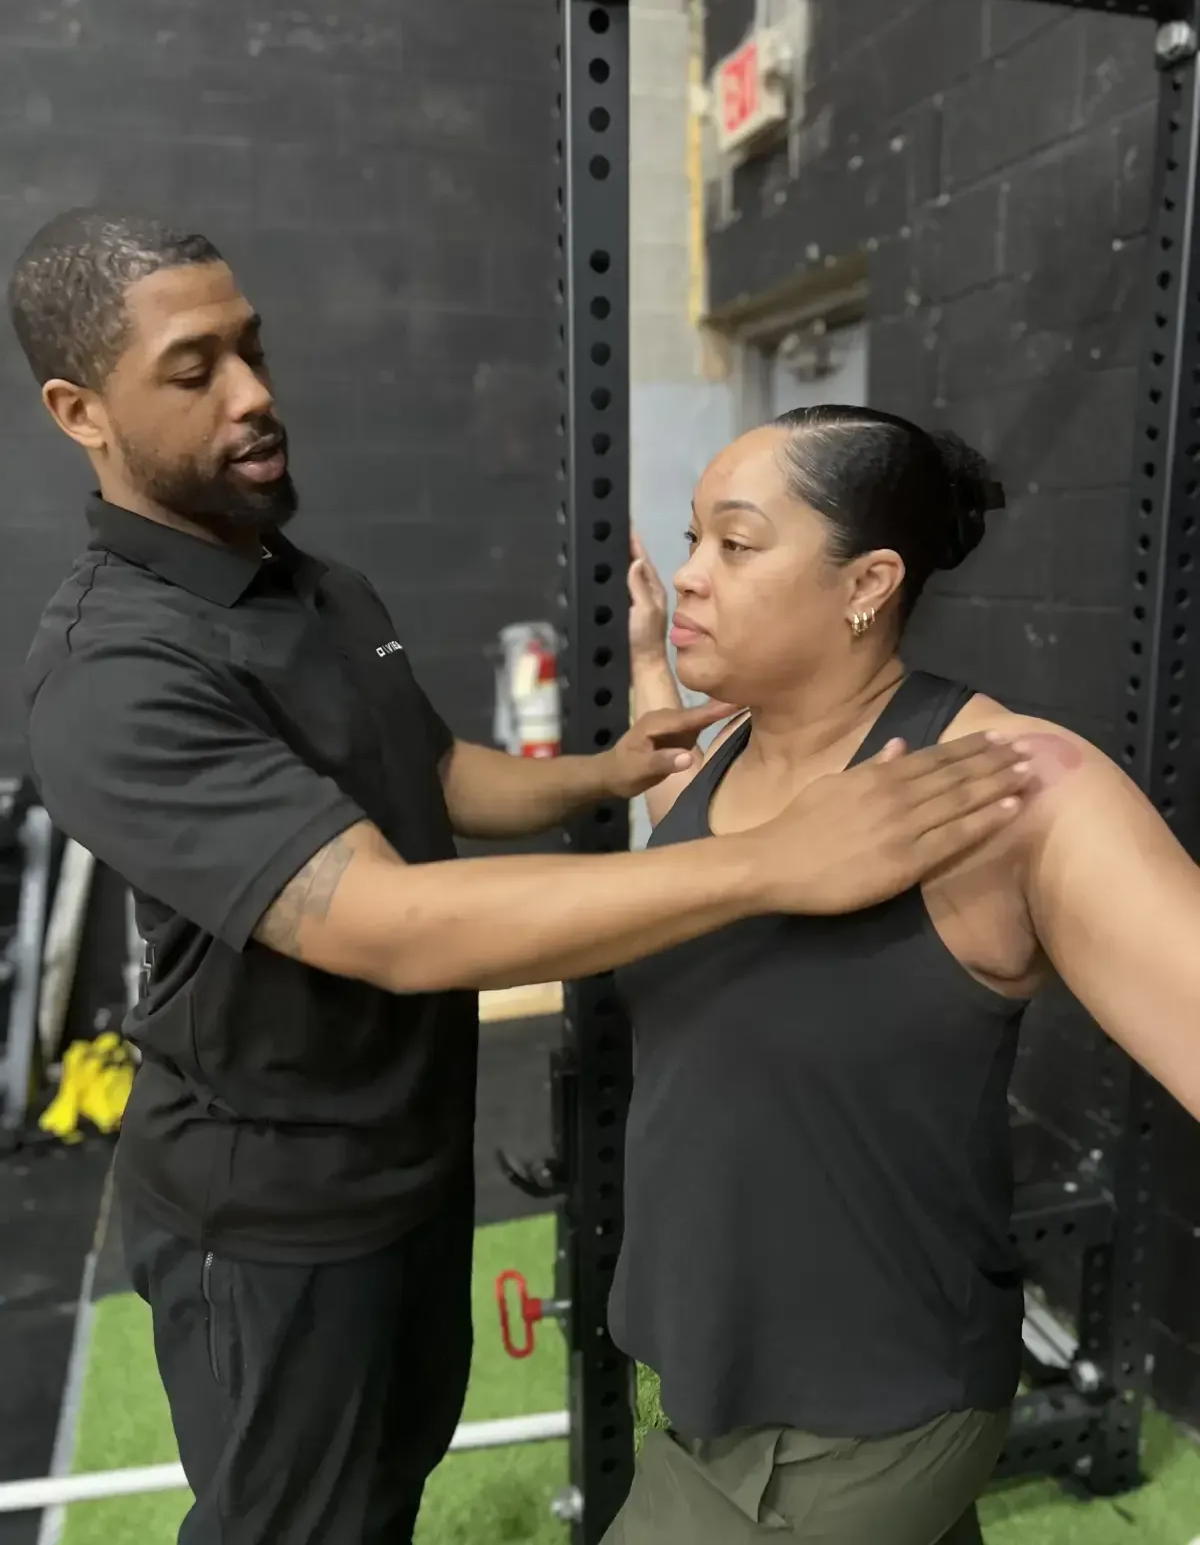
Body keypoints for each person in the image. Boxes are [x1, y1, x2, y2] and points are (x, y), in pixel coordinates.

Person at [8, 210, 1031, 1545]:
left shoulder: (311, 587)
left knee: (388, 1485)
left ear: (871, 584)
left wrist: (605, 771)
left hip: (413, 1159)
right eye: (196, 372)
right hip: (272, 1208)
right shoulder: (114, 675)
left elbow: (430, 773)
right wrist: (773, 861)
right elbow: (385, 921)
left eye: (253, 350)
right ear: (80, 412)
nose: (254, 394)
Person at [607, 404, 1200, 1545]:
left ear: (868, 584)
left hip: (847, 1426)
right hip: (711, 1381)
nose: (690, 575)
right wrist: (647, 667)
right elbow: (689, 841)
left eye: (735, 543)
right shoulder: (731, 751)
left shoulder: (1012, 783)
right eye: (690, 540)